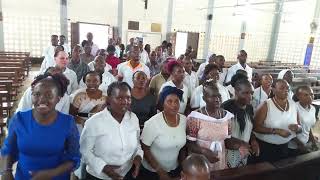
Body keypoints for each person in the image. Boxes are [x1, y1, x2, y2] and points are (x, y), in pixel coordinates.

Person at [1, 73, 80, 180]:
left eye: (49, 95)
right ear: (31, 95)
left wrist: (51, 174)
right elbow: (8, 150)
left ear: (58, 98)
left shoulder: (67, 122)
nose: (42, 99)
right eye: (37, 94)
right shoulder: (19, 119)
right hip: (24, 177)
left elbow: (74, 158)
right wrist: (6, 172)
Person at [80, 82, 143, 180]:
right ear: (109, 99)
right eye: (120, 98)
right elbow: (84, 151)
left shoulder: (133, 118)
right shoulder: (94, 122)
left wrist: (138, 156)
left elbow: (137, 143)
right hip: (98, 176)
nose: (125, 102)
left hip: (126, 173)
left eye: (128, 98)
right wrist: (104, 168)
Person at [138, 86, 186, 180]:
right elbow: (145, 148)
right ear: (162, 103)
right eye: (169, 101)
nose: (174, 105)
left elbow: (182, 147)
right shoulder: (153, 123)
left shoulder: (184, 120)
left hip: (174, 169)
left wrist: (183, 165)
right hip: (152, 172)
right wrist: (160, 171)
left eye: (176, 101)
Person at [187, 81, 233, 170]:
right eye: (213, 96)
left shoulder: (227, 117)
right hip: (200, 159)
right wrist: (204, 151)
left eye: (219, 96)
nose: (217, 99)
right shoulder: (196, 117)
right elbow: (190, 144)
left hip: (219, 158)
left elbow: (228, 140)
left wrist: (242, 144)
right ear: (204, 98)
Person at [254, 79, 301, 163]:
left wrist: (297, 128)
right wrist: (275, 131)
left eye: (287, 88)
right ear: (273, 89)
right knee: (268, 172)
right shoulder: (266, 105)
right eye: (282, 88)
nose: (286, 90)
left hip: (285, 146)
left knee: (282, 172)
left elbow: (300, 127)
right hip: (267, 147)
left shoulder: (293, 104)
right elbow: (255, 127)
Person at [222, 76, 260, 168]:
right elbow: (222, 135)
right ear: (236, 92)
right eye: (245, 93)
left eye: (251, 93)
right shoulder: (225, 108)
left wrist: (253, 141)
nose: (250, 97)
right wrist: (240, 144)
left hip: (244, 153)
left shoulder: (249, 108)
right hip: (227, 153)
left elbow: (249, 129)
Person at [288, 86, 318, 155]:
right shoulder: (293, 108)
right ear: (298, 96)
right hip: (293, 147)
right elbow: (289, 130)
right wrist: (300, 145)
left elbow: (308, 127)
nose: (310, 97)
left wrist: (313, 141)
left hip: (305, 143)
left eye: (311, 94)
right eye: (306, 95)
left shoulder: (313, 108)